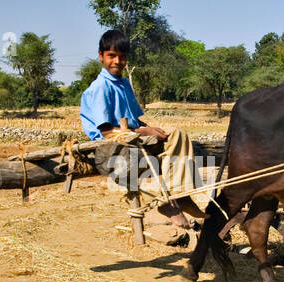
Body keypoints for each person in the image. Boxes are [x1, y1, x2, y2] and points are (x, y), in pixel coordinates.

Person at [80, 29, 204, 243]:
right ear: (101, 55)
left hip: (131, 132)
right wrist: (143, 131)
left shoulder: (123, 83)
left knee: (177, 135)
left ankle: (181, 193)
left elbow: (135, 120)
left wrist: (151, 128)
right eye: (111, 56)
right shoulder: (101, 87)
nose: (117, 61)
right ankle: (168, 201)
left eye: (122, 57)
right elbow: (106, 130)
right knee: (151, 150)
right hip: (112, 139)